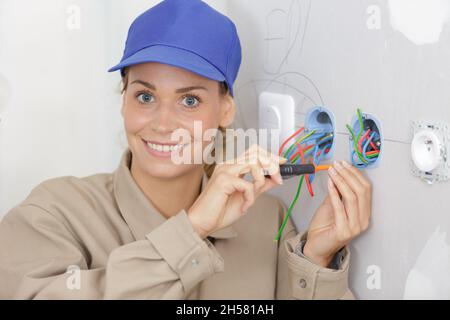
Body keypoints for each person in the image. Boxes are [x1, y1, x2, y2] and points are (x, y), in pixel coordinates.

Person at [0, 0, 372, 299]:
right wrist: (192, 229)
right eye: (145, 95)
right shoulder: (51, 215)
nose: (163, 123)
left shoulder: (265, 220)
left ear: (226, 110)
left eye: (189, 101)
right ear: (123, 101)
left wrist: (314, 261)